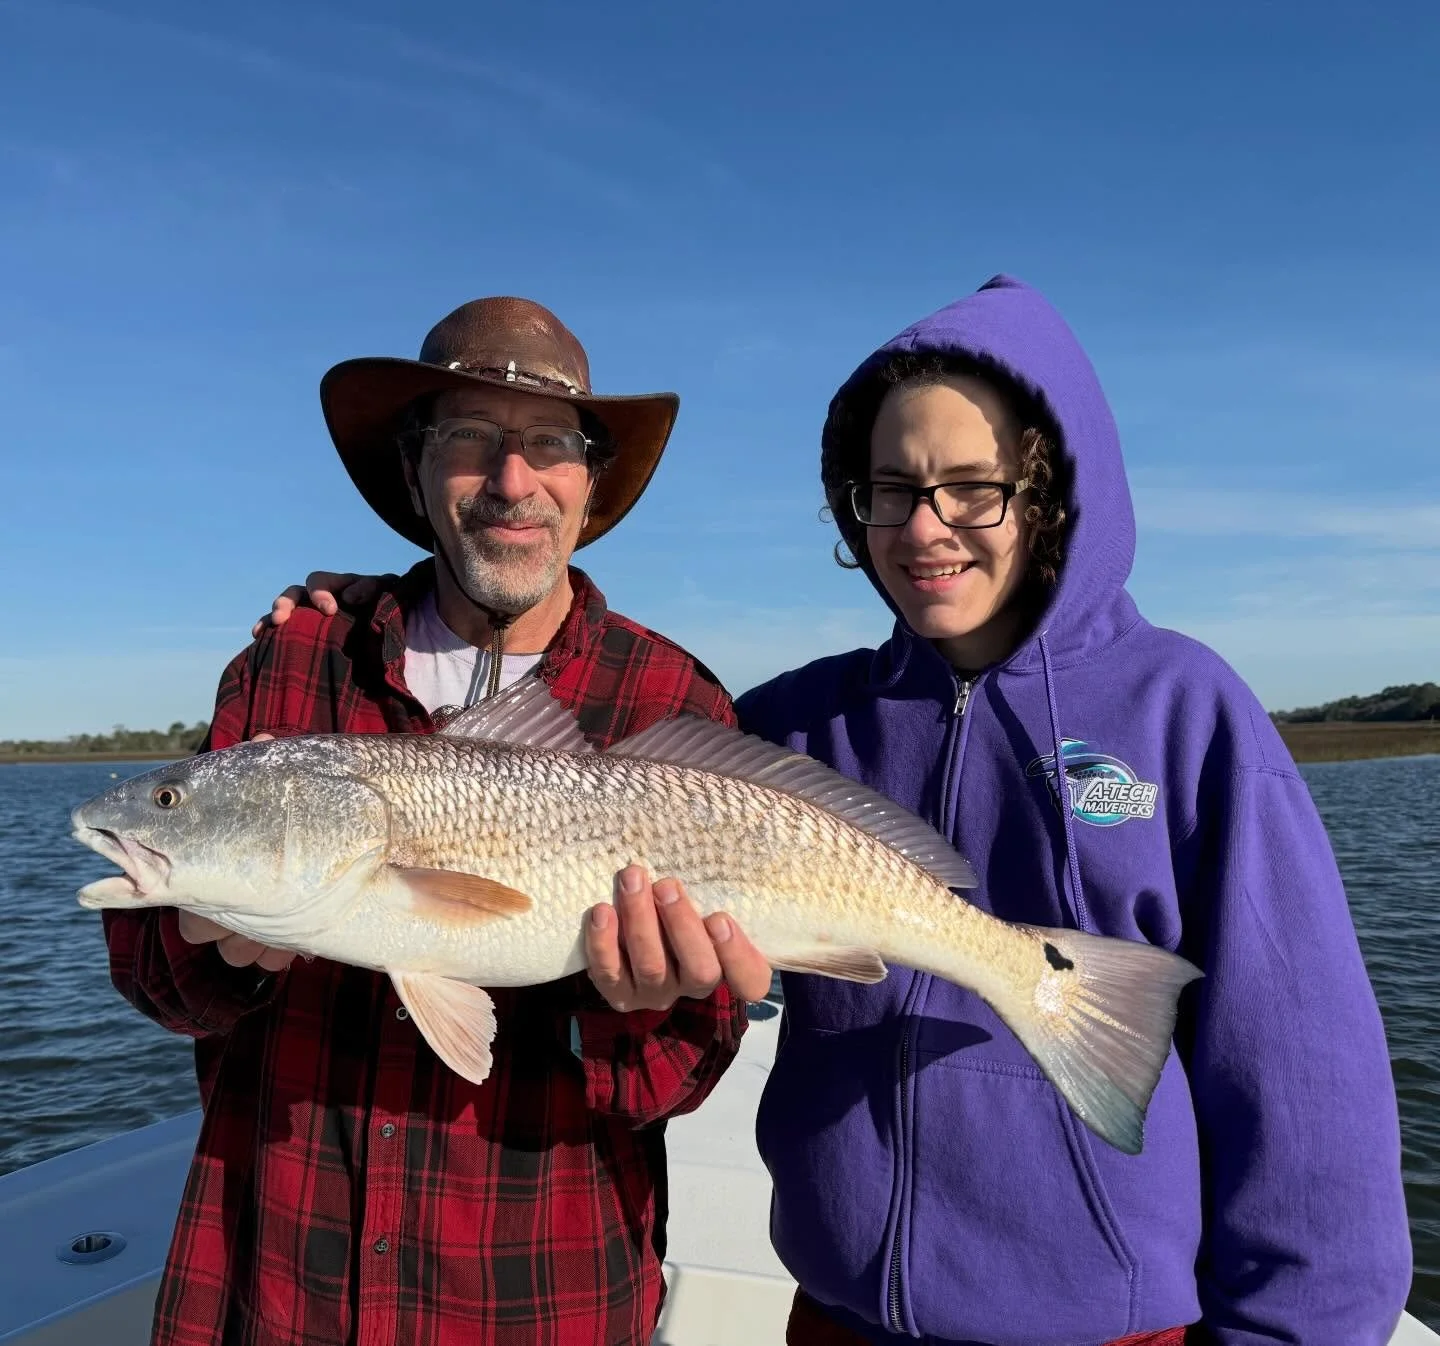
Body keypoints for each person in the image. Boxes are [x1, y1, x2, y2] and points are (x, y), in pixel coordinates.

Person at [259, 276, 1412, 1345]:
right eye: (892, 491)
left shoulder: (1185, 708)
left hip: (1111, 1324)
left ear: (1052, 492)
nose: (925, 526)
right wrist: (379, 603)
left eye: (974, 488)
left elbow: (1310, 1090)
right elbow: (591, 772)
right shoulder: (799, 721)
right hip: (841, 1311)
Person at [103, 296, 766, 1346]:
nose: (512, 482)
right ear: (414, 470)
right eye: (468, 438)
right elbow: (150, 972)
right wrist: (217, 950)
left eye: (550, 443)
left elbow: (683, 1072)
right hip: (277, 1283)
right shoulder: (288, 662)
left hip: (538, 1299)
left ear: (590, 482)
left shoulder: (670, 699)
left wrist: (646, 1004)